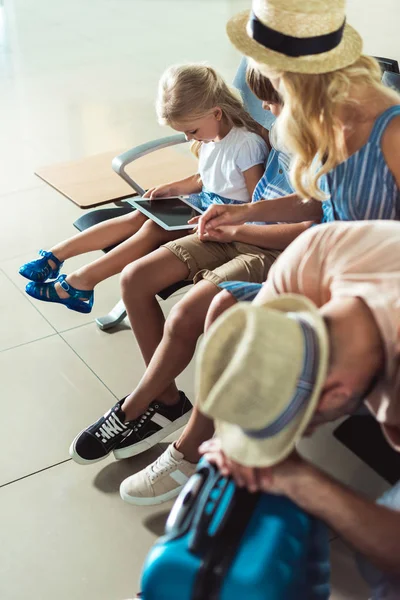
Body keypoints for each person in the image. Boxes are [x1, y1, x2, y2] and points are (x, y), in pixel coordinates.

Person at [69, 68, 314, 498]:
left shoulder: (324, 143)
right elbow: (260, 195)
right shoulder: (282, 125)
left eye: (274, 102)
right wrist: (231, 216)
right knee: (135, 277)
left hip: (267, 246)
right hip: (242, 225)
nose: (268, 112)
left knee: (188, 312)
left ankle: (134, 408)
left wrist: (239, 225)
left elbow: (307, 222)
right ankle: (166, 402)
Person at [198, 220, 400, 600]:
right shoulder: (316, 252)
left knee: (384, 568)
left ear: (335, 394)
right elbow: (254, 367)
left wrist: (299, 478)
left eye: (303, 426)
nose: (304, 435)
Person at [19, 63, 268, 313]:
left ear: (216, 113)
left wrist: (225, 221)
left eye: (191, 131)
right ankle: (54, 257)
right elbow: (206, 178)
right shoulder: (210, 137)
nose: (189, 138)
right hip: (201, 203)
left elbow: (258, 204)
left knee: (151, 228)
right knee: (139, 214)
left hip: (219, 219)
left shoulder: (245, 145)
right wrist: (171, 188)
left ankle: (80, 283)